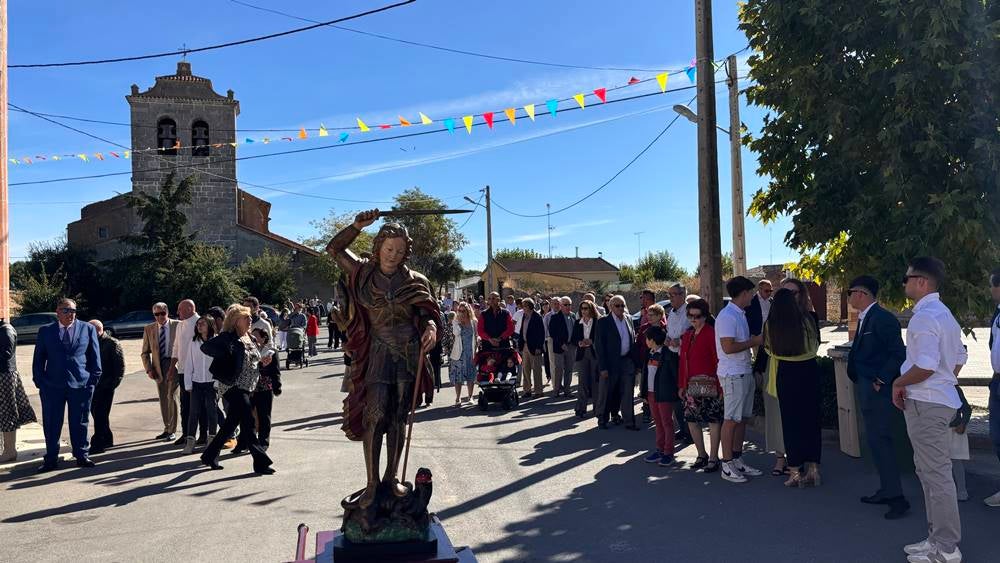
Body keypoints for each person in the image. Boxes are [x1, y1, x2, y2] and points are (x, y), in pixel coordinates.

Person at [326, 209, 439, 508]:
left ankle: (392, 478)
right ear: (378, 248)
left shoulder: (417, 280)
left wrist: (431, 329)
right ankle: (372, 484)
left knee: (398, 417)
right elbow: (334, 249)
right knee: (374, 415)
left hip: (407, 351)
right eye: (389, 249)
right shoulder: (362, 273)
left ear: (406, 252)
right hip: (376, 350)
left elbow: (428, 314)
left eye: (400, 250)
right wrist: (356, 227)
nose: (393, 255)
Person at [895, 257, 964, 563]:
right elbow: (959, 356)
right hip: (935, 400)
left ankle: (946, 548)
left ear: (921, 282)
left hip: (927, 403)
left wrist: (899, 383)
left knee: (935, 476)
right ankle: (937, 539)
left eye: (906, 279)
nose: (904, 283)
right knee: (930, 473)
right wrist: (946, 380)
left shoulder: (925, 317)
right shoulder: (944, 314)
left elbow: (924, 365)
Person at [846, 275, 909, 518]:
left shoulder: (882, 319)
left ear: (861, 293)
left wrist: (881, 380)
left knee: (883, 441)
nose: (849, 296)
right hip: (866, 387)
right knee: (875, 442)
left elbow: (898, 354)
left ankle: (897, 497)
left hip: (879, 391)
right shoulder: (865, 318)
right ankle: (887, 489)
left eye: (850, 291)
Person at [200, 305, 275, 475]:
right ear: (235, 321)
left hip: (249, 386)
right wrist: (226, 353)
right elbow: (206, 348)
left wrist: (263, 361)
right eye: (246, 317)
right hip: (232, 386)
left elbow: (252, 361)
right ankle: (261, 462)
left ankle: (209, 455)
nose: (250, 320)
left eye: (250, 317)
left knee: (231, 423)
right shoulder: (228, 337)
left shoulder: (249, 337)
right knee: (248, 421)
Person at [32, 298, 102, 472]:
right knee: (51, 423)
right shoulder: (46, 331)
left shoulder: (87, 329)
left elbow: (95, 359)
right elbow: (38, 359)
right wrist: (40, 382)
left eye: (73, 311)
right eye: (66, 311)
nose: (70, 314)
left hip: (81, 385)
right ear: (57, 312)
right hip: (52, 386)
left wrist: (91, 381)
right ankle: (51, 459)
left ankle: (81, 455)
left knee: (80, 422)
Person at [763, 288, 822, 488]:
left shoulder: (771, 324)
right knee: (811, 421)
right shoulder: (807, 320)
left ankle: (795, 471)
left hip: (786, 373)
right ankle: (814, 469)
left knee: (790, 423)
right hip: (809, 370)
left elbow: (768, 349)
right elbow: (815, 346)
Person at [715, 276, 764, 483]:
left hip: (744, 371)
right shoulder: (727, 316)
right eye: (751, 292)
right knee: (731, 419)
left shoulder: (740, 314)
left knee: (742, 419)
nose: (753, 296)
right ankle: (726, 464)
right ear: (744, 293)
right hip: (733, 373)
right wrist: (753, 341)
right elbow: (727, 347)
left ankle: (736, 458)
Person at [678, 298, 723, 473]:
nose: (693, 319)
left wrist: (720, 387)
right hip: (691, 386)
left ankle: (713, 457)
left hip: (711, 384)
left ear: (705, 316)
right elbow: (683, 362)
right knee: (691, 420)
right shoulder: (688, 335)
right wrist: (682, 385)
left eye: (697, 316)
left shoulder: (712, 333)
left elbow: (718, 361)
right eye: (690, 316)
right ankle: (701, 454)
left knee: (713, 420)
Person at [595, 295, 638, 430]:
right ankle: (602, 418)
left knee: (627, 393)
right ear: (611, 307)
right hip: (610, 363)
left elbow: (632, 342)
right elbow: (599, 346)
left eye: (622, 305)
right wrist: (603, 367)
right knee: (606, 392)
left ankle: (629, 421)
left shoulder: (629, 319)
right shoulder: (603, 322)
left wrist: (635, 363)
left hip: (626, 361)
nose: (620, 308)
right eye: (617, 305)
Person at [141, 302, 181, 441]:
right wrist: (148, 369)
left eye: (162, 313)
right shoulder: (149, 329)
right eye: (156, 314)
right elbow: (145, 352)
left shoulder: (178, 325)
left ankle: (173, 430)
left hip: (174, 364)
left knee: (172, 396)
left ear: (167, 312)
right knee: (163, 397)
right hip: (158, 367)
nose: (160, 317)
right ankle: (167, 428)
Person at [640, 326, 679, 466]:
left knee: (667, 423)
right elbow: (645, 375)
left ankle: (668, 453)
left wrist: (679, 390)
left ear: (652, 340)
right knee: (658, 422)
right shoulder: (649, 353)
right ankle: (660, 450)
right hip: (651, 394)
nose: (645, 341)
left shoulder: (668, 354)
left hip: (664, 393)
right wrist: (643, 392)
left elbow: (674, 374)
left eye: (647, 338)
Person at [0, 317, 37, 463]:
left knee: (7, 412)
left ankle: (10, 451)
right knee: (4, 413)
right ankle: (8, 450)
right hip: (4, 375)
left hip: (5, 376)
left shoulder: (5, 330)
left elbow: (6, 354)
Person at [87, 320, 124, 455]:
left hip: (105, 386)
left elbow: (119, 368)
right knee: (96, 414)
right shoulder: (89, 342)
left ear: (98, 330)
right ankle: (107, 438)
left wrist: (111, 385)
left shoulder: (111, 343)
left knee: (101, 414)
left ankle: (98, 443)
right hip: (92, 386)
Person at [183, 316, 218, 455]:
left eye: (202, 324)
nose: (199, 326)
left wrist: (217, 382)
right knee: (194, 412)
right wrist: (188, 384)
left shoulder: (216, 340)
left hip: (211, 383)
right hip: (196, 383)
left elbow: (221, 362)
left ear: (209, 325)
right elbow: (188, 364)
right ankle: (190, 442)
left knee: (212, 412)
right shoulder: (193, 342)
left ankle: (212, 442)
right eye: (198, 324)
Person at [665, 285, 694, 446]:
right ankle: (683, 428)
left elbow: (692, 332)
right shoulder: (671, 313)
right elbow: (670, 332)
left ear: (683, 295)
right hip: (672, 357)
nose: (671, 298)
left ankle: (690, 431)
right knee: (676, 395)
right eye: (669, 295)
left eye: (674, 295)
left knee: (685, 396)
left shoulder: (689, 312)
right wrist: (668, 339)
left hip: (685, 359)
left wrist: (680, 340)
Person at [169, 299, 199, 447]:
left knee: (199, 405)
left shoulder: (200, 323)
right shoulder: (180, 325)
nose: (178, 312)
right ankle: (186, 434)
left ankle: (203, 435)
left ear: (189, 308)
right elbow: (176, 347)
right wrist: (171, 368)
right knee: (185, 404)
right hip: (182, 371)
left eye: (180, 309)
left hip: (197, 371)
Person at [250, 328, 282, 451]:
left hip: (265, 387)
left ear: (264, 338)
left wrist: (277, 386)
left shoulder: (271, 351)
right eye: (252, 336)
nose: (253, 339)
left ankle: (263, 441)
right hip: (251, 388)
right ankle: (247, 441)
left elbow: (276, 370)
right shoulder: (250, 350)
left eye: (256, 336)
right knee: (249, 416)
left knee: (264, 415)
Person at [571, 299, 600, 418]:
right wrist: (579, 343)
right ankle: (580, 408)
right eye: (582, 308)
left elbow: (601, 337)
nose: (584, 311)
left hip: (594, 353)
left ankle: (597, 409)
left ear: (591, 309)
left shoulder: (598, 321)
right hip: (582, 354)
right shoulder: (578, 322)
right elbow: (573, 339)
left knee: (595, 382)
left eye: (586, 308)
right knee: (582, 381)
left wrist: (592, 341)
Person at [986, 268, 1000, 508]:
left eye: (991, 285)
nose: (989, 290)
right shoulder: (997, 314)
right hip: (997, 380)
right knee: (997, 437)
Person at [449, 302, 478, 405]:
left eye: (463, 311)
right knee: (458, 377)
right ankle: (458, 398)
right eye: (459, 311)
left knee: (471, 376)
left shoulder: (474, 322)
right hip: (459, 354)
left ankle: (470, 397)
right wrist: (459, 323)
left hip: (471, 353)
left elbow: (477, 336)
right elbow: (456, 333)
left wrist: (478, 344)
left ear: (468, 311)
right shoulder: (456, 321)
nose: (461, 313)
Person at [518, 298, 546, 399]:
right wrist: (520, 346)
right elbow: (522, 332)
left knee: (537, 370)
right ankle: (527, 390)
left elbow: (541, 334)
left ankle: (538, 391)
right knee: (526, 369)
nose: (522, 308)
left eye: (524, 306)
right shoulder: (524, 316)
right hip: (525, 346)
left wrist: (539, 347)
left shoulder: (537, 317)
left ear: (529, 306)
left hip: (535, 347)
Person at [550, 296, 577, 398]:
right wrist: (561, 344)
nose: (568, 306)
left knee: (569, 369)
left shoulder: (573, 316)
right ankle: (556, 390)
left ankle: (567, 390)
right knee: (559, 369)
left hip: (571, 347)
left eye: (569, 304)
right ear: (561, 306)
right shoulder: (555, 318)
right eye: (565, 305)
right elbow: (553, 333)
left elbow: (576, 331)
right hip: (560, 347)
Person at [949, 386, 972, 503]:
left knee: (956, 461)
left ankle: (962, 491)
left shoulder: (955, 389)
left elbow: (966, 409)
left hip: (954, 430)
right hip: (939, 430)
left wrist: (963, 423)